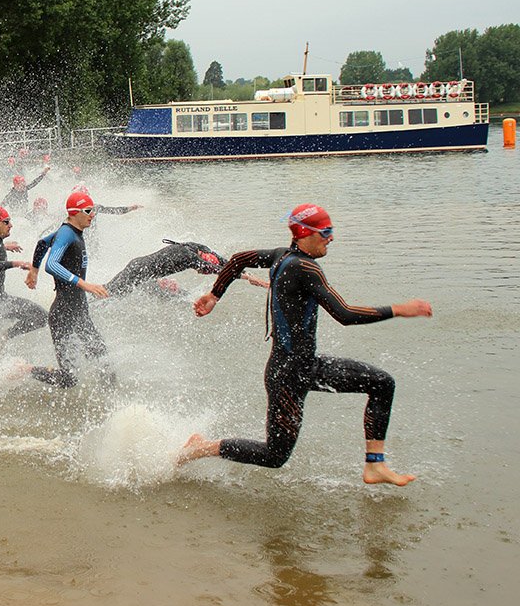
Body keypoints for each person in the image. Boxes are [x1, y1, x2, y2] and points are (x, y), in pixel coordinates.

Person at [178, 204, 430, 486]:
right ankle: (202, 448)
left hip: (295, 367)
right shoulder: (305, 267)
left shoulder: (281, 256)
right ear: (302, 232)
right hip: (292, 373)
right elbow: (344, 314)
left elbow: (238, 259)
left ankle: (375, 465)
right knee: (274, 455)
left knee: (382, 384)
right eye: (325, 231)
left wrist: (214, 295)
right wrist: (400, 309)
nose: (331, 237)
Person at [20, 191, 110, 388]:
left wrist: (33, 271)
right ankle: (25, 370)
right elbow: (51, 265)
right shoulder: (67, 234)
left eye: (93, 210)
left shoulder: (73, 232)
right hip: (63, 314)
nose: (92, 214)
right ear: (75, 212)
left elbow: (42, 243)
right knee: (69, 379)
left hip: (78, 311)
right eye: (88, 210)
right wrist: (85, 284)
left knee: (104, 362)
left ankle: (111, 410)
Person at [0, 206, 45, 349]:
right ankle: (6, 335)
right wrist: (16, 263)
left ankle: (4, 337)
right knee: (41, 316)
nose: (10, 225)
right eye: (6, 222)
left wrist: (3, 246)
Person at [99, 239, 269, 300]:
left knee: (175, 293)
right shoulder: (189, 257)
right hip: (138, 272)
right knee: (109, 294)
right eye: (202, 270)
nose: (201, 272)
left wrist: (247, 273)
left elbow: (224, 263)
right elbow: (219, 270)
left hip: (143, 270)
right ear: (201, 258)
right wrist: (248, 279)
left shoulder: (197, 247)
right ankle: (86, 296)